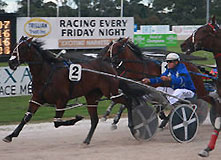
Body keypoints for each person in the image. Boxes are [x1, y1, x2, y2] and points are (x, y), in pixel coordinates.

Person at [142, 53, 196, 128]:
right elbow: (159, 79)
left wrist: (170, 79)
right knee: (158, 89)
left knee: (178, 91)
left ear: (176, 62)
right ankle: (162, 104)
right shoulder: (169, 70)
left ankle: (169, 106)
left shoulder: (182, 69)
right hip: (176, 90)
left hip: (188, 91)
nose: (168, 63)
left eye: (170, 62)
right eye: (167, 62)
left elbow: (182, 80)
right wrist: (149, 81)